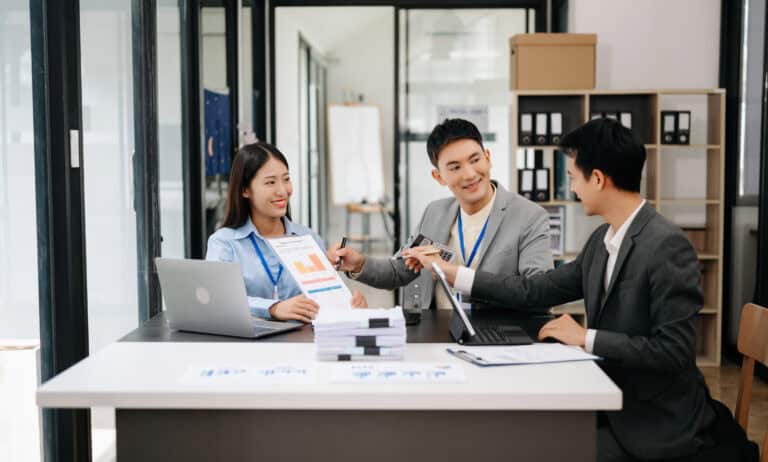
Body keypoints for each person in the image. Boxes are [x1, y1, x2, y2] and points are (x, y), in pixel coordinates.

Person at [407, 118, 717, 461]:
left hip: (651, 418)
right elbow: (535, 291)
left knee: (538, 447)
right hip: (609, 392)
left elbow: (674, 351)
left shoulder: (667, 245)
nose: (572, 189)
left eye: (572, 177)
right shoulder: (602, 240)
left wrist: (586, 338)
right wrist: (456, 274)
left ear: (597, 179)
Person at [329, 118, 553, 312]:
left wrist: (455, 274)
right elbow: (400, 271)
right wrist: (358, 264)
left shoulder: (530, 217)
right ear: (439, 176)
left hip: (499, 334)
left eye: (475, 160)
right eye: (455, 167)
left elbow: (540, 294)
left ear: (488, 157)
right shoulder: (435, 213)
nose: (469, 174)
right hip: (437, 333)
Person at [206, 141, 366, 323]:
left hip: (303, 344)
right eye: (270, 182)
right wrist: (273, 308)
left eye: (286, 179)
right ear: (245, 190)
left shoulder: (308, 238)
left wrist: (350, 304)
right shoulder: (224, 242)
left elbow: (328, 300)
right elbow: (219, 300)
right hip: (249, 346)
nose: (282, 191)